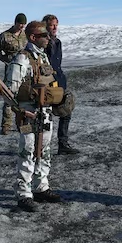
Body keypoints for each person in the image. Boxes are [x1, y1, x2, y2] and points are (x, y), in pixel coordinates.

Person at [7, 21, 67, 211]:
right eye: (44, 36)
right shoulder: (22, 59)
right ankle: (23, 193)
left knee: (44, 150)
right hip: (29, 113)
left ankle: (41, 187)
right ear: (33, 37)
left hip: (45, 112)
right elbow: (10, 90)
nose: (48, 38)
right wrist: (19, 111)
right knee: (28, 151)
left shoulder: (43, 57)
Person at [43, 14, 81, 154]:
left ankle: (62, 144)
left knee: (66, 110)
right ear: (45, 26)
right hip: (47, 83)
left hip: (58, 81)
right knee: (45, 115)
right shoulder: (42, 43)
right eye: (51, 25)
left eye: (56, 25)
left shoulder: (57, 42)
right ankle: (41, 146)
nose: (54, 28)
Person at [0, 13, 28, 134]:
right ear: (15, 23)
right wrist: (6, 59)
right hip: (11, 70)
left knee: (23, 96)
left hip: (24, 69)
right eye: (20, 24)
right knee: (9, 96)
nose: (22, 26)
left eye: (24, 24)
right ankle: (6, 125)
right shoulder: (5, 36)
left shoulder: (25, 35)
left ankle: (21, 124)